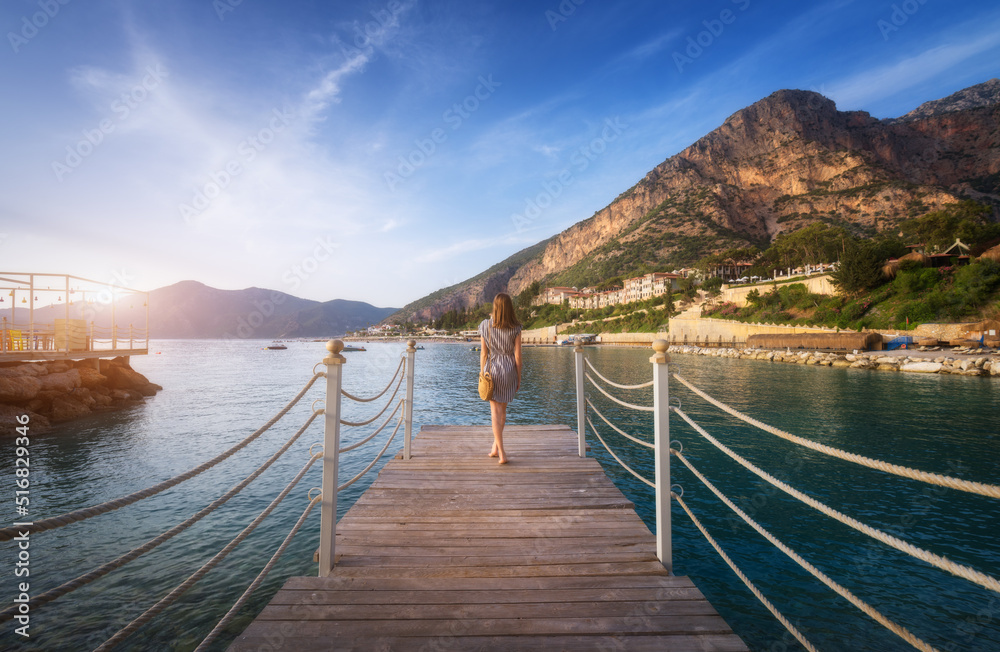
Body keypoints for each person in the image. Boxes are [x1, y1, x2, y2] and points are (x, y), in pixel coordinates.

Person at [478, 293, 522, 465]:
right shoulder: (516, 327)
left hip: (492, 369)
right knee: (502, 412)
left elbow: (484, 353)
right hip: (509, 370)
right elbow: (518, 356)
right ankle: (495, 447)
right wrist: (518, 377)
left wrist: (482, 373)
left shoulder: (485, 326)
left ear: (495, 307)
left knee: (495, 413)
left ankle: (502, 453)